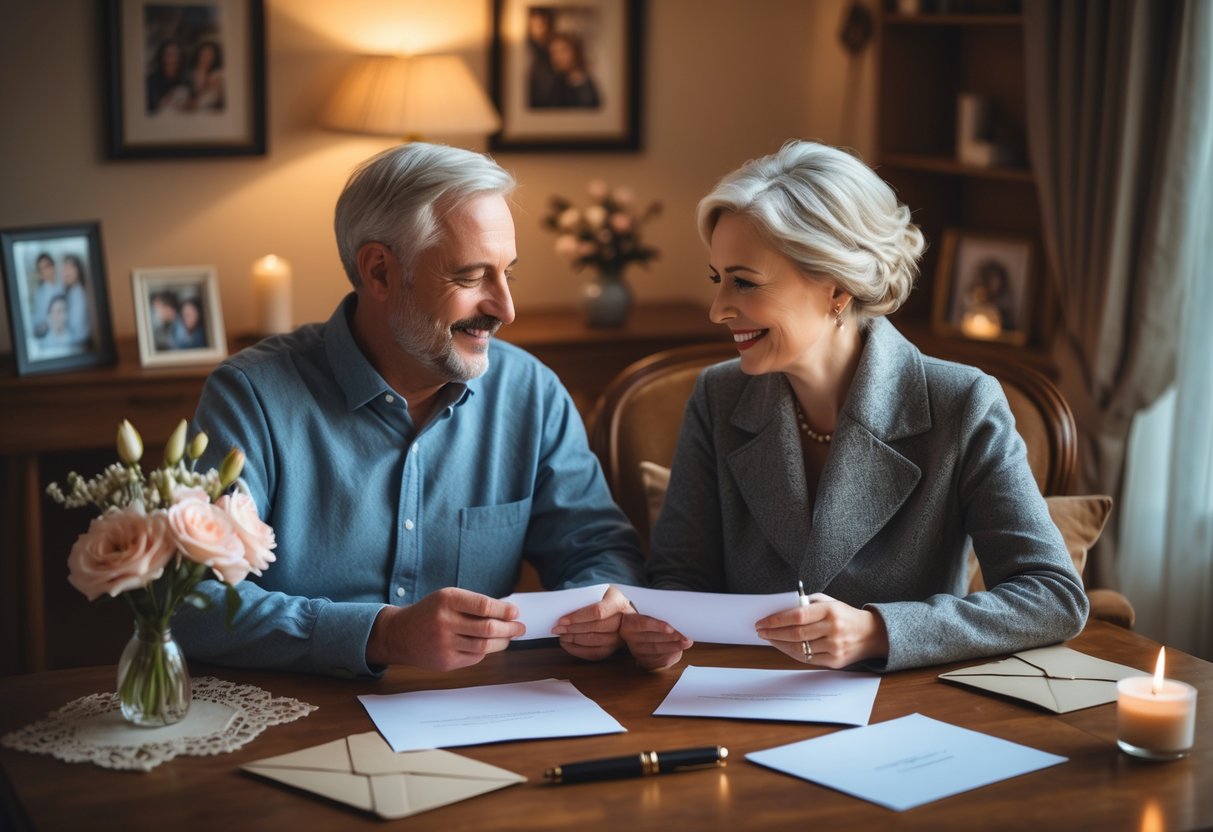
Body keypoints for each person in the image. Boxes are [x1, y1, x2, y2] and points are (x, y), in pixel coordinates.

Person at [176, 142, 645, 677]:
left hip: (488, 715)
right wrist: (381, 635)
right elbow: (191, 602)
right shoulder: (251, 398)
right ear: (379, 272)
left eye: (507, 274)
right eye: (471, 278)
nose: (505, 309)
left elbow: (598, 550)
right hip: (297, 720)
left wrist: (605, 607)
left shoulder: (531, 393)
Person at [620, 140, 1088, 673]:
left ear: (836, 288)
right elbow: (680, 578)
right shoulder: (717, 395)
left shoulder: (962, 403)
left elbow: (1054, 597)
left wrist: (878, 631)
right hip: (740, 705)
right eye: (717, 279)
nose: (717, 309)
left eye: (744, 282)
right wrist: (655, 629)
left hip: (914, 714)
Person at [546, 33, 600, 108]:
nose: (557, 57)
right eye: (553, 53)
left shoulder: (586, 88)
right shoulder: (557, 83)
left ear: (575, 51)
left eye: (563, 50)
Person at [146, 39, 190, 113]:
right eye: (168, 55)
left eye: (175, 55)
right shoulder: (152, 80)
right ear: (162, 57)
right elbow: (153, 107)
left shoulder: (186, 79)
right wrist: (172, 95)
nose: (171, 59)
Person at [60, 254, 92, 347]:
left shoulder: (79, 294)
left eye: (70, 268)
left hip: (79, 343)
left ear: (79, 270)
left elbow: (76, 326)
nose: (66, 272)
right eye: (64, 268)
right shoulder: (70, 292)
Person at [30, 253, 60, 339]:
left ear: (53, 266)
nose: (46, 271)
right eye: (42, 269)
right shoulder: (40, 294)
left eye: (47, 266)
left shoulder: (60, 286)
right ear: (40, 274)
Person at [188, 40, 224, 111]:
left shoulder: (216, 73)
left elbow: (214, 96)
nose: (207, 57)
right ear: (199, 55)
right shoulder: (190, 73)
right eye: (204, 54)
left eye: (210, 54)